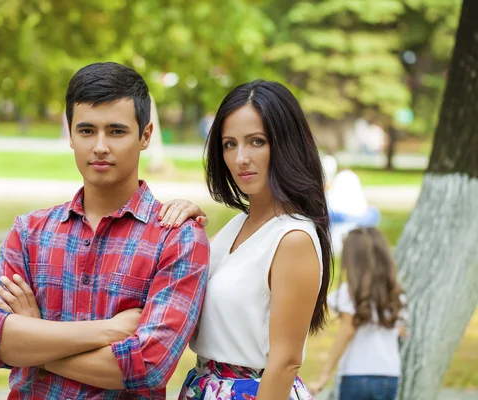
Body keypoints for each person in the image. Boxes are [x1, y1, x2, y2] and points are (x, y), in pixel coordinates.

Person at [0, 62, 210, 399]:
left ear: (145, 136)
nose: (100, 146)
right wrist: (108, 331)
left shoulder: (177, 238)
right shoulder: (29, 233)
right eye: (86, 131)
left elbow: (148, 365)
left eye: (116, 131)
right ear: (70, 134)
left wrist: (35, 341)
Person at [159, 80, 333, 400]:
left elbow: (286, 362)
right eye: (229, 144)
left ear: (285, 144)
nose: (241, 158)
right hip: (204, 384)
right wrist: (191, 232)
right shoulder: (238, 225)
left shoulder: (292, 237)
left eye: (256, 141)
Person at [308, 227, 408, 400]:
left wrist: (324, 375)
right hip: (389, 375)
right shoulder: (396, 295)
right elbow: (401, 330)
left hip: (357, 374)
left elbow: (347, 330)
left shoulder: (350, 293)